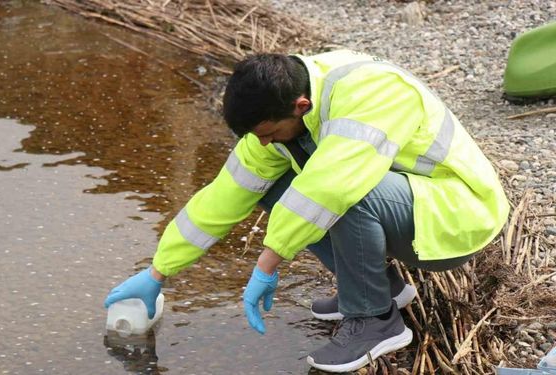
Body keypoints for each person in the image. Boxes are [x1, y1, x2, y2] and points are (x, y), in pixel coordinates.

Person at [104, 50, 509, 373]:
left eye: (269, 134)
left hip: (459, 214)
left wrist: (267, 263)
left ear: (299, 106)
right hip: (408, 207)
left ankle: (376, 319)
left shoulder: (372, 91)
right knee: (270, 188)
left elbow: (331, 187)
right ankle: (381, 287)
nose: (264, 144)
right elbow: (223, 196)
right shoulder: (280, 103)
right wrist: (159, 271)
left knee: (342, 193)